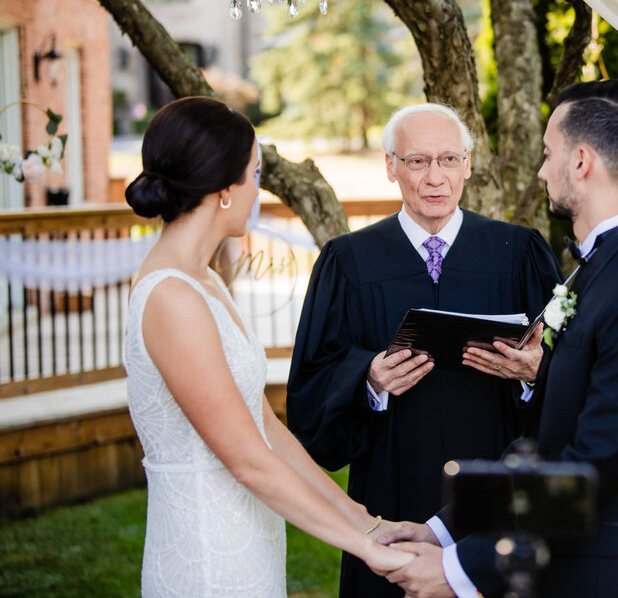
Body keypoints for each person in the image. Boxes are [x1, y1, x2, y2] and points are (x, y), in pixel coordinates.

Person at [382, 80, 618, 598]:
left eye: (547, 154)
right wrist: (443, 530)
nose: (540, 170)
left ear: (581, 162)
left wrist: (457, 569)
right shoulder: (600, 271)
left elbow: (589, 472)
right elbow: (549, 444)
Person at [122, 96, 412, 597]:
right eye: (255, 175)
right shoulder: (171, 296)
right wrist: (367, 552)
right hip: (207, 558)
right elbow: (248, 460)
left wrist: (365, 522)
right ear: (224, 190)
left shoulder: (204, 281)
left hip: (249, 540)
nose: (259, 191)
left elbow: (263, 427)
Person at [286, 103, 563, 598]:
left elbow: (573, 377)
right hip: (392, 495)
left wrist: (534, 373)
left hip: (494, 489)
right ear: (391, 166)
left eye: (449, 160)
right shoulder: (348, 263)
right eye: (417, 161)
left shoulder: (518, 254)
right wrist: (367, 381)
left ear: (469, 164)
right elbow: (311, 390)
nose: (435, 177)